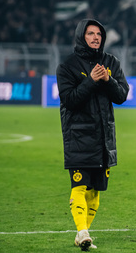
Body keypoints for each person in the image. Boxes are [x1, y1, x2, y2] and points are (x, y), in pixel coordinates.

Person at [56, 19, 129, 251]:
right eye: (90, 33)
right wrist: (91, 80)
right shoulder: (67, 66)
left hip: (103, 137)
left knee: (96, 190)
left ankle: (82, 235)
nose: (96, 37)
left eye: (99, 34)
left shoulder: (111, 62)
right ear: (81, 36)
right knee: (79, 186)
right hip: (78, 136)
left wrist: (107, 80)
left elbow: (121, 95)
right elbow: (70, 100)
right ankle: (82, 231)